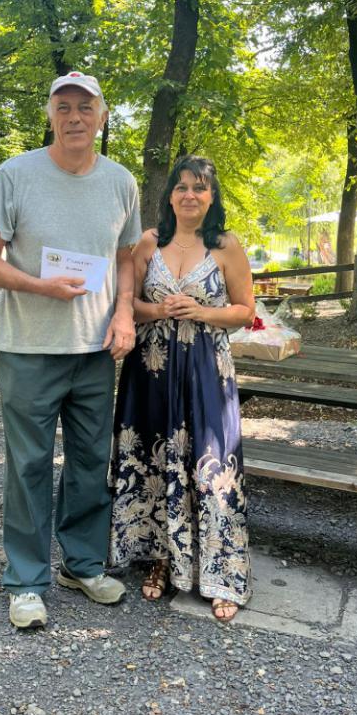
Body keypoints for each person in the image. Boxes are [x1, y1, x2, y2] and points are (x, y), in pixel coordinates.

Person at [0, 71, 141, 630]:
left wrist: (123, 312)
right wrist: (40, 287)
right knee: (29, 465)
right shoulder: (17, 174)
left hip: (94, 349)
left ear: (102, 117)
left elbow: (125, 257)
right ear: (49, 115)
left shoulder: (120, 181)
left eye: (85, 108)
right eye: (63, 107)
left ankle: (82, 565)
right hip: (29, 346)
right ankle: (25, 580)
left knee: (91, 462)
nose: (74, 117)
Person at [109, 155, 256, 622]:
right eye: (181, 187)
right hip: (151, 370)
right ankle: (159, 559)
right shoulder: (149, 242)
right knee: (154, 461)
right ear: (169, 195)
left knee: (211, 463)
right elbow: (127, 300)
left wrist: (201, 311)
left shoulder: (226, 245)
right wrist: (157, 311)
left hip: (206, 371)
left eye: (199, 187)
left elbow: (245, 310)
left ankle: (222, 573)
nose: (190, 195)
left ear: (212, 196)